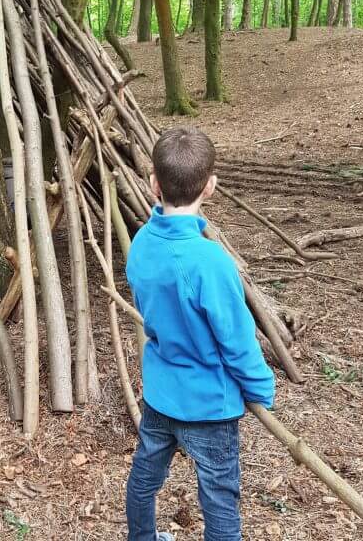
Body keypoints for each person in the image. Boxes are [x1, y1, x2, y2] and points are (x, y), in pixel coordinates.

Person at [125, 126, 275, 541]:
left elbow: (149, 308)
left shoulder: (141, 243)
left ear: (153, 183)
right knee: (219, 498)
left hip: (160, 393)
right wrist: (261, 387)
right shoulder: (211, 261)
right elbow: (237, 339)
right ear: (210, 186)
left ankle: (141, 537)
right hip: (209, 406)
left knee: (144, 478)